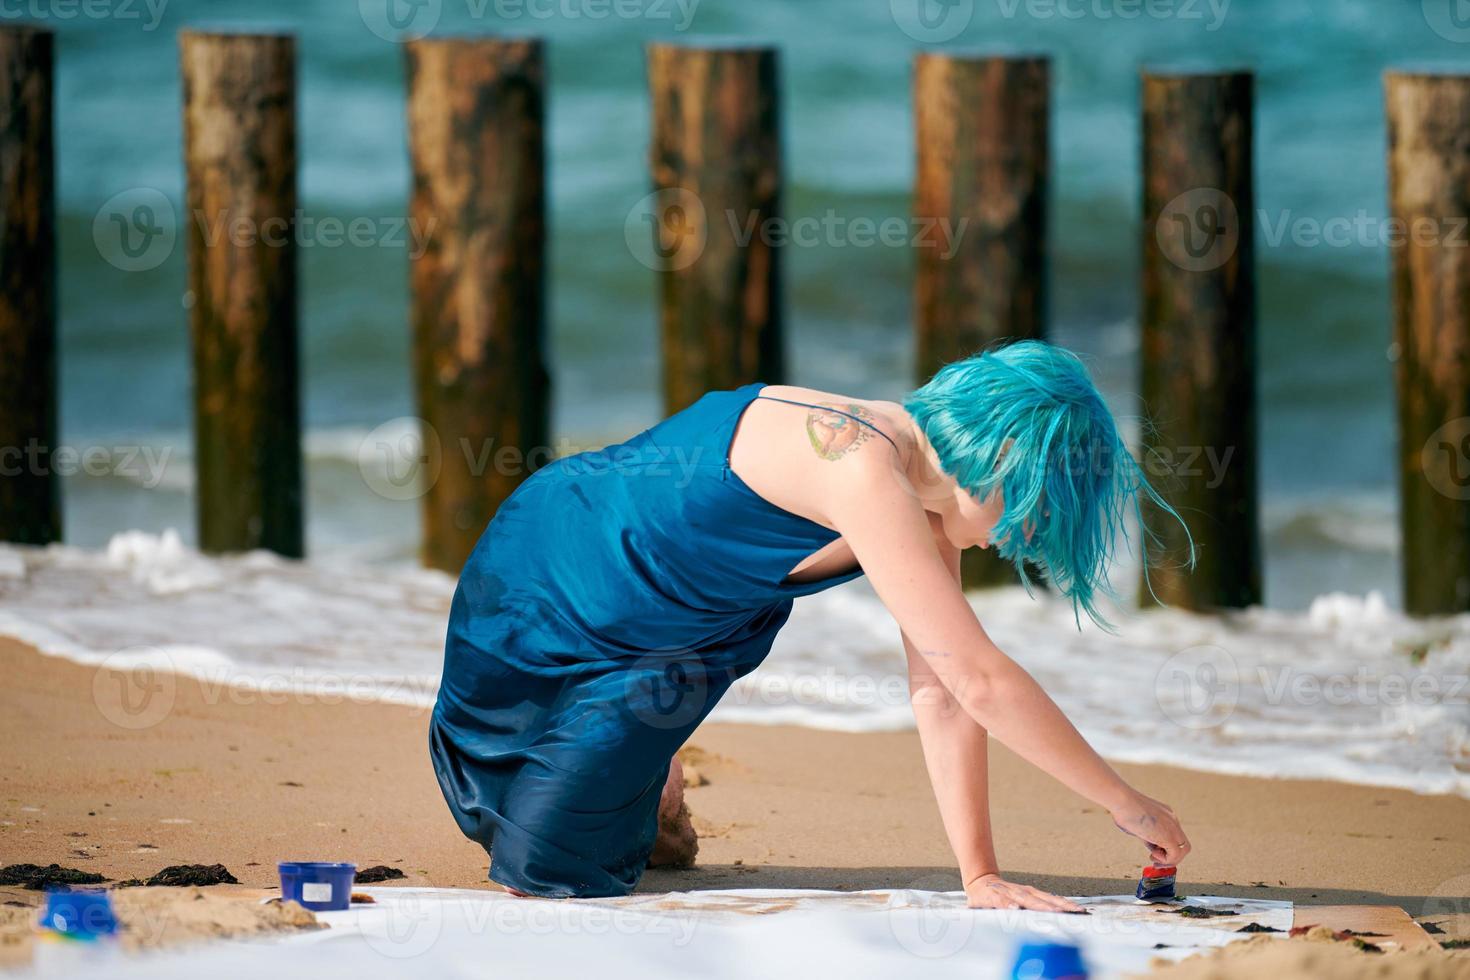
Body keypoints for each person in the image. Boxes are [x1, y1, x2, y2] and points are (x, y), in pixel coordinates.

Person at [430, 340, 1194, 909]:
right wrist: (1126, 801)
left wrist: (980, 875)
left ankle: (647, 775)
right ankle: (652, 777)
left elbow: (944, 691)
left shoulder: (924, 510)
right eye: (1033, 507)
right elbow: (982, 679)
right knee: (539, 876)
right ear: (1000, 457)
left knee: (551, 864)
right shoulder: (860, 464)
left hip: (665, 645)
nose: (1018, 536)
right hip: (546, 575)